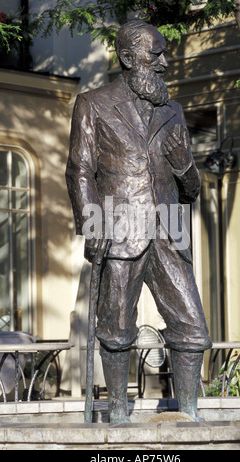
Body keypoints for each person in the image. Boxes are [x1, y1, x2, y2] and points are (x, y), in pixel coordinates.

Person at [66, 19, 212, 423]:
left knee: (193, 329)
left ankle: (189, 418)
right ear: (129, 58)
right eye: (156, 53)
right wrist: (91, 225)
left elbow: (191, 189)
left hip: (169, 230)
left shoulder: (174, 111)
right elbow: (79, 170)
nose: (164, 63)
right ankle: (117, 415)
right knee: (114, 329)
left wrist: (184, 164)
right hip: (118, 229)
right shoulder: (94, 104)